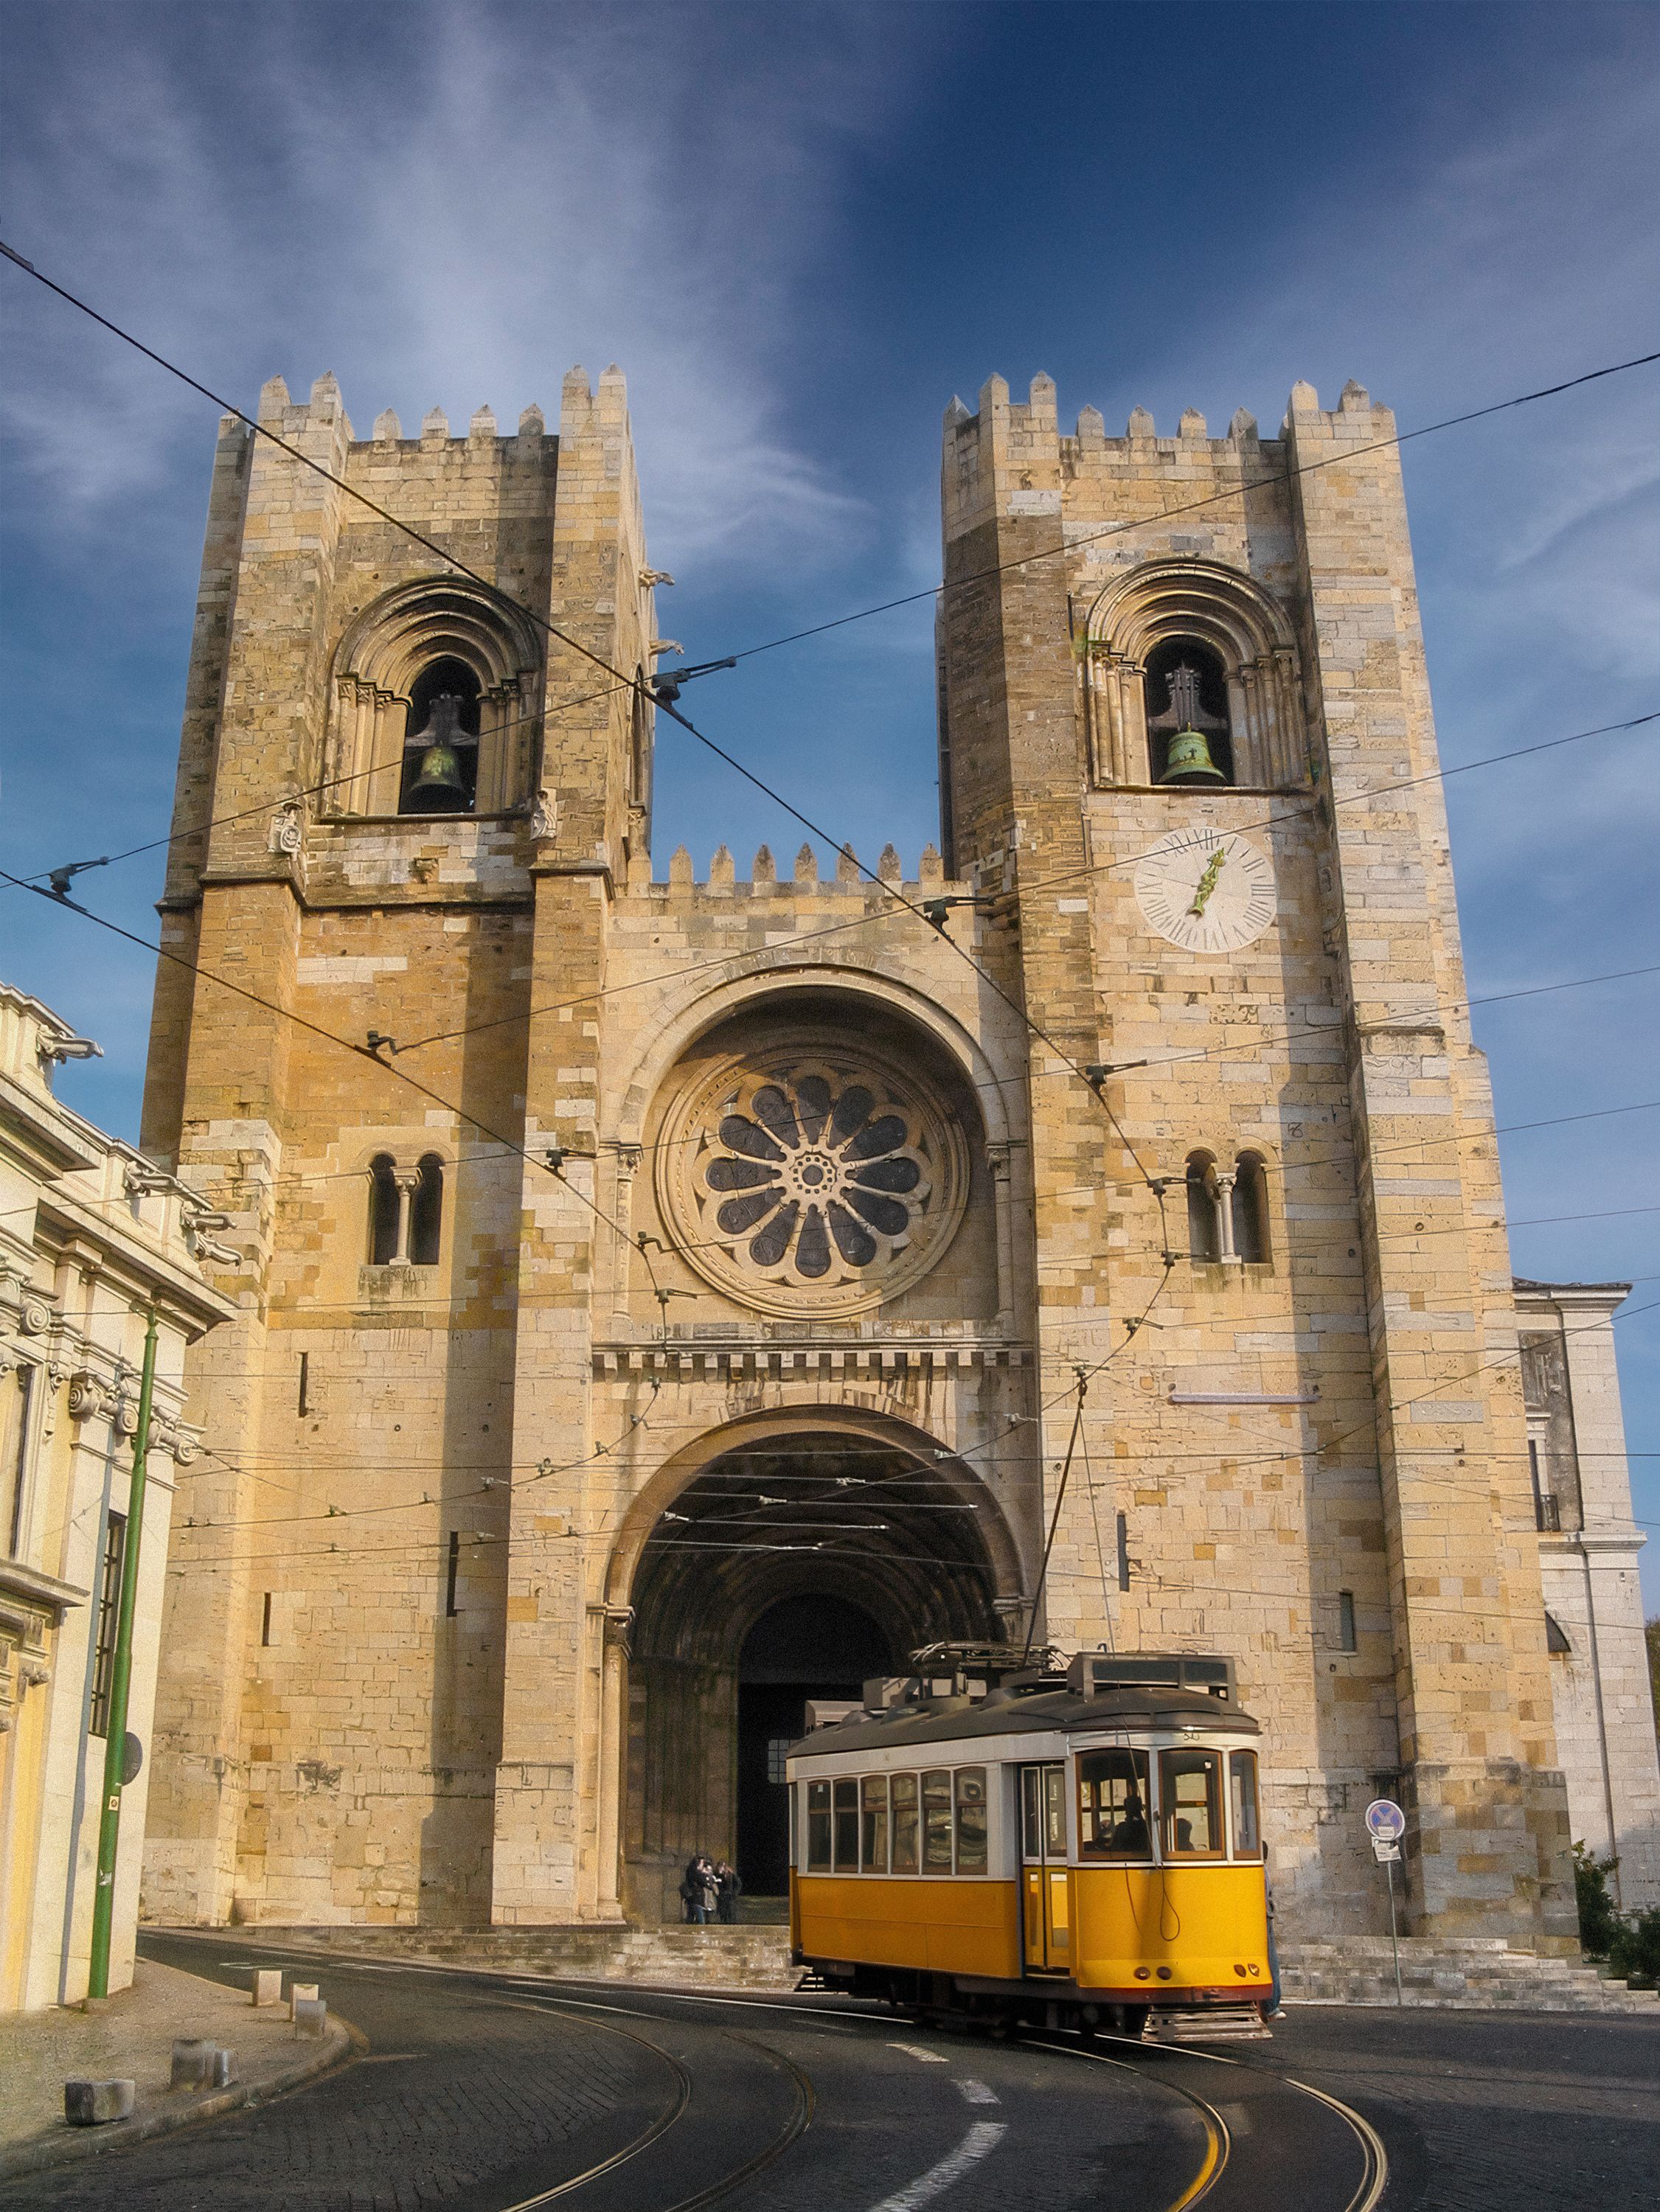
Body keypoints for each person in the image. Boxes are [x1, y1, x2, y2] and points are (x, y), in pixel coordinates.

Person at [1107, 1790, 1149, 1854]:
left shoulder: (1122, 1828)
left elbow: (1114, 1848)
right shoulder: (1146, 1826)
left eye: (1126, 1808)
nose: (1125, 1812)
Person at [681, 1853, 714, 1925]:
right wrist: (706, 1874)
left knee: (690, 1919)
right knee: (701, 1921)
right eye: (702, 1863)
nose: (703, 1865)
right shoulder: (697, 1873)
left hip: (691, 1899)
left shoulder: (690, 1871)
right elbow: (708, 1885)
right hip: (697, 1899)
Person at [715, 1860, 742, 1925]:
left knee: (730, 1912)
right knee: (723, 1912)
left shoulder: (731, 1875)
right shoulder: (717, 1875)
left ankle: (731, 1923)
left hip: (730, 1896)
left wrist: (735, 1893)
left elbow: (738, 1884)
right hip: (722, 1897)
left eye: (721, 1867)